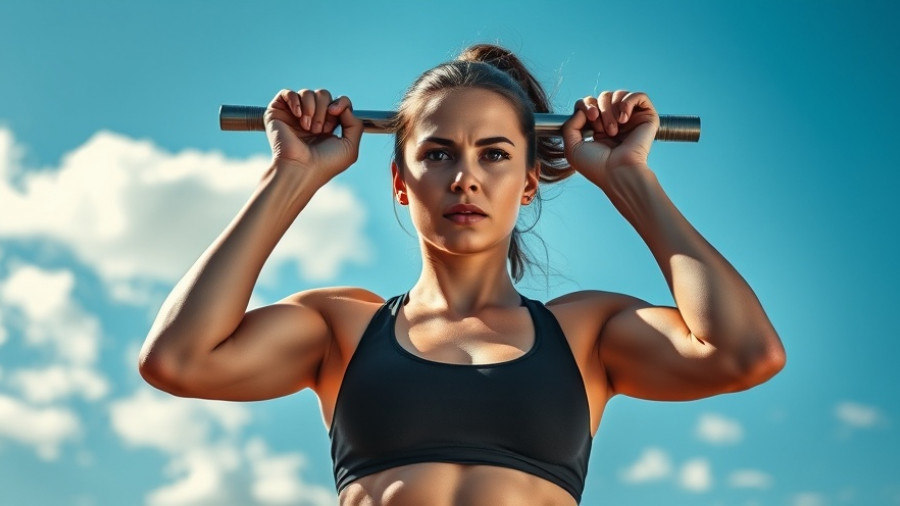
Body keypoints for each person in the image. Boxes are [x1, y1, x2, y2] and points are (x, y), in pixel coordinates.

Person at [138, 44, 786, 506]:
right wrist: (291, 175)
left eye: (495, 154)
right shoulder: (343, 326)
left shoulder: (586, 334)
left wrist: (629, 180)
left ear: (529, 181)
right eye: (439, 153)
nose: (465, 177)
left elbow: (746, 353)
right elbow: (177, 358)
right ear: (399, 180)